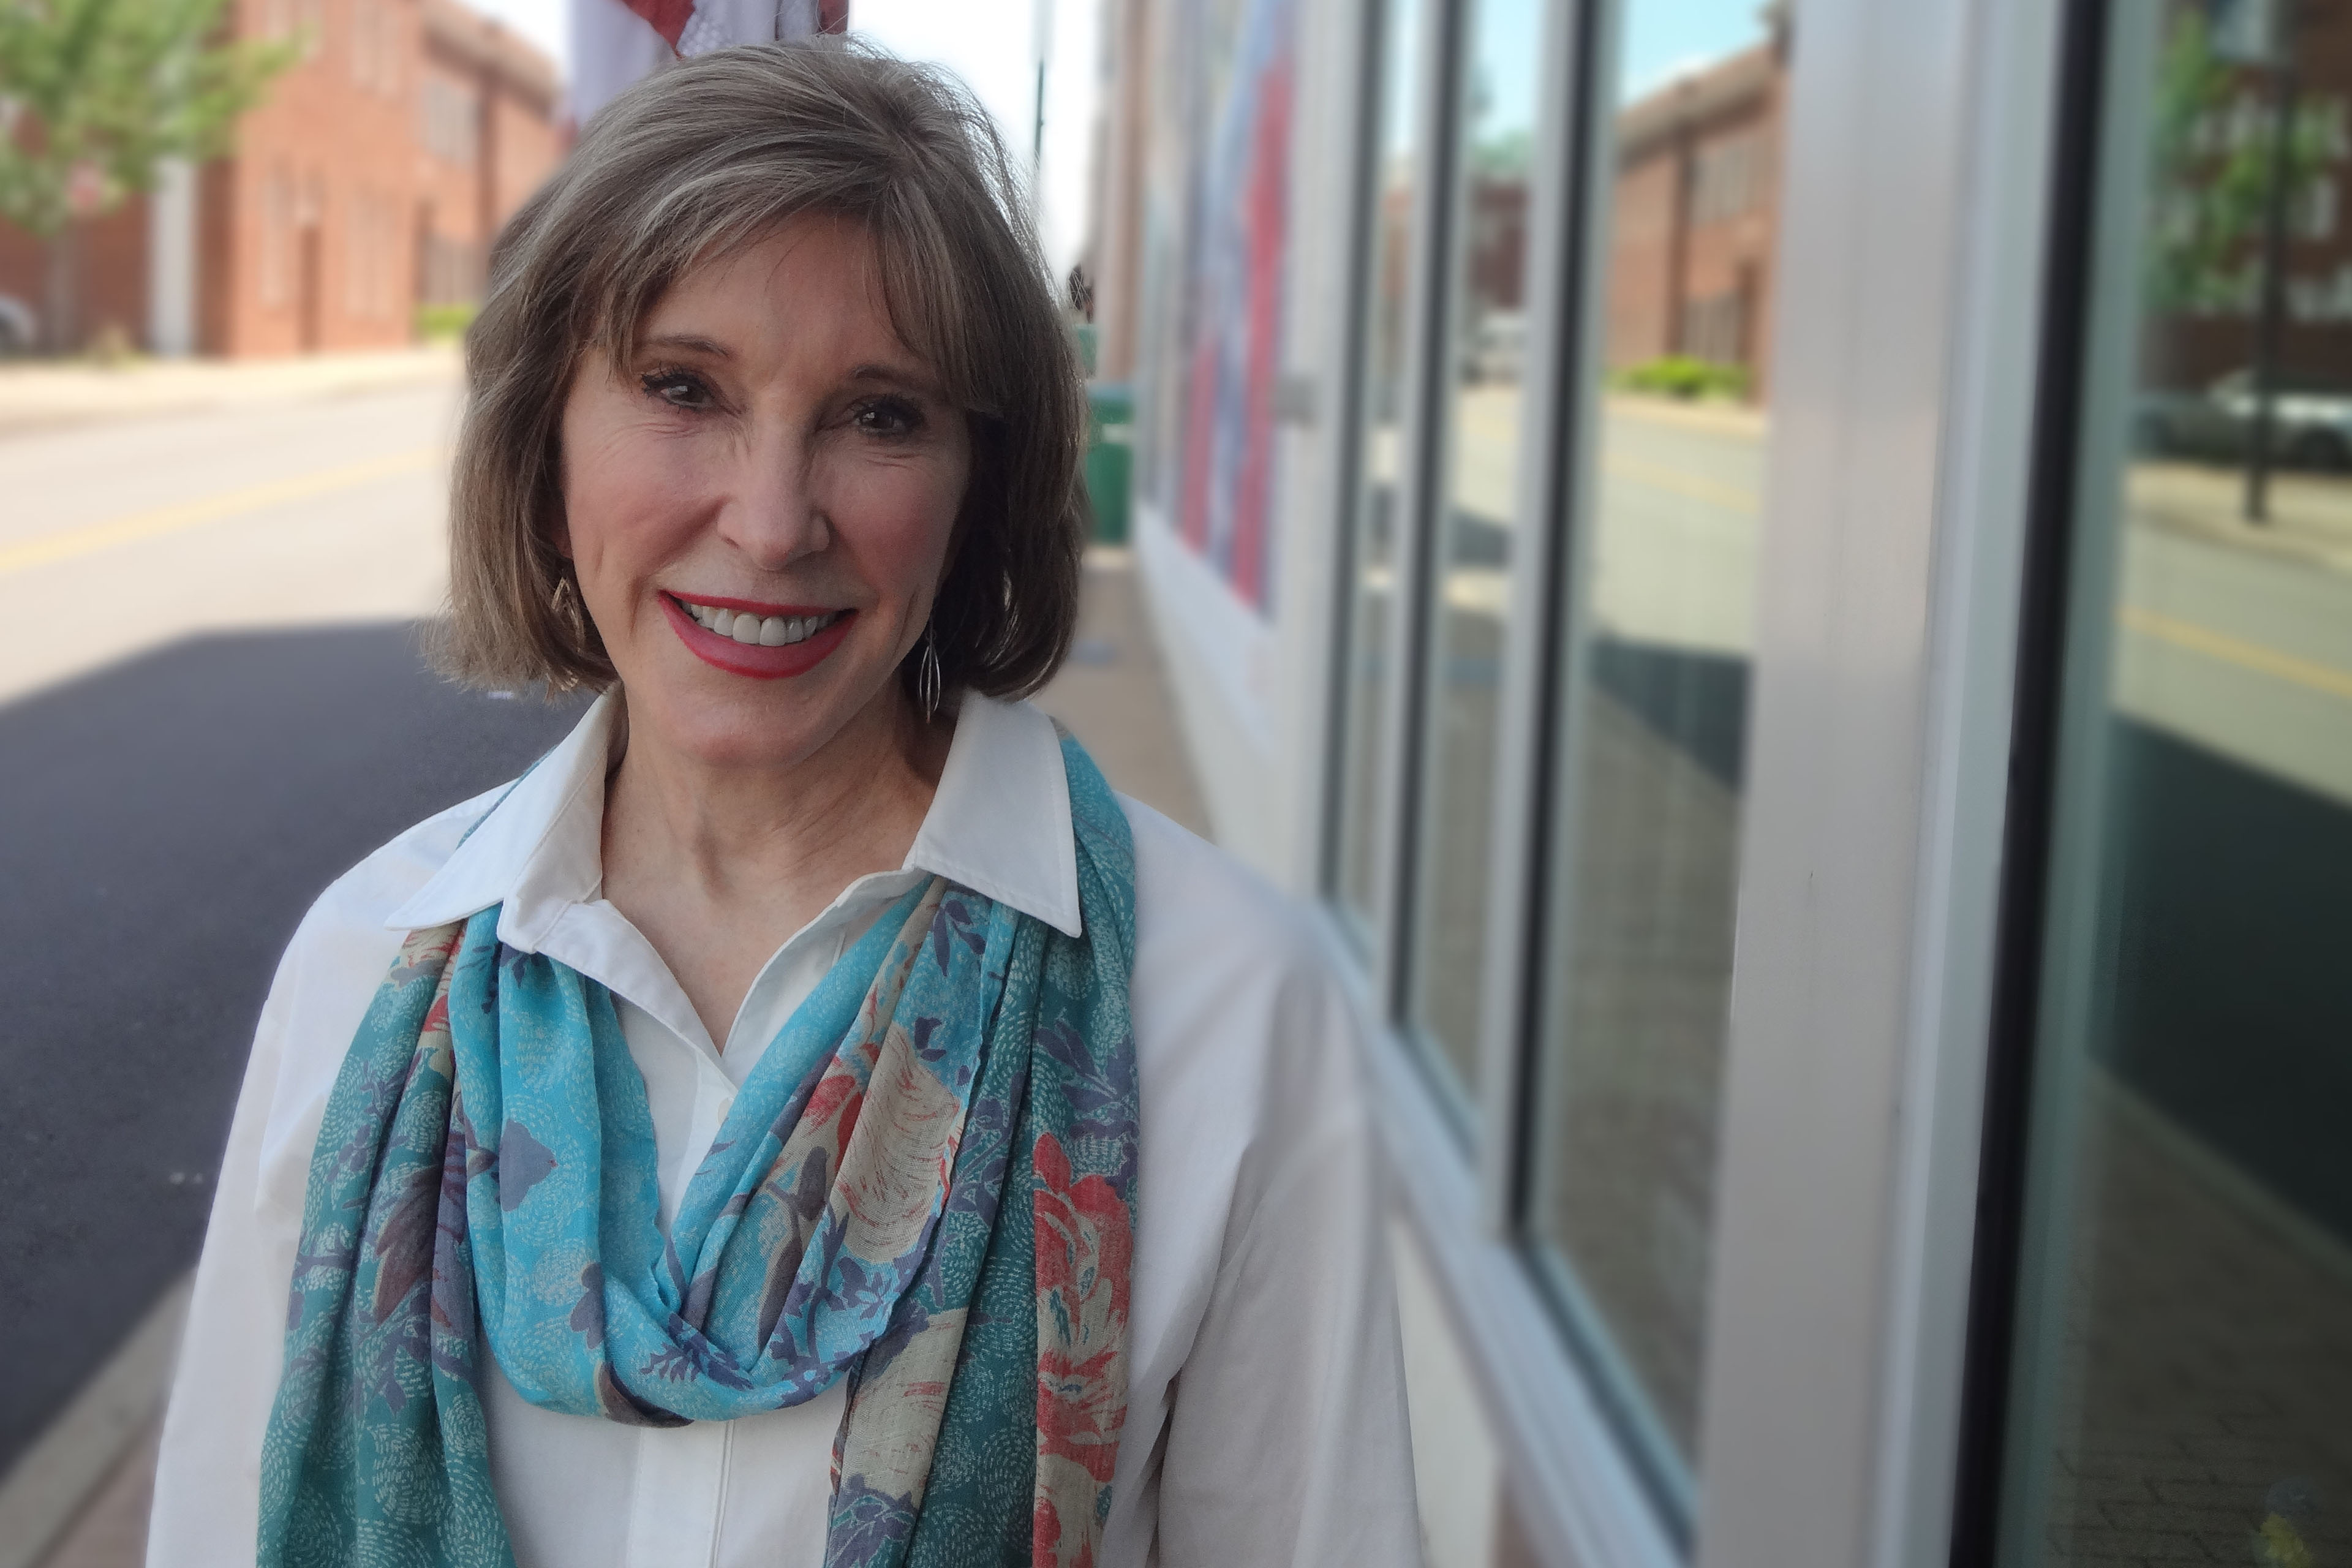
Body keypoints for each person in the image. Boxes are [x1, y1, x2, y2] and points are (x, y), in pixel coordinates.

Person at [146, 40, 1420, 1568]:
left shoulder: (1226, 1003)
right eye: (683, 388)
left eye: (880, 416)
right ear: (546, 439)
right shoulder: (366, 964)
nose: (769, 519)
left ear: (975, 485)